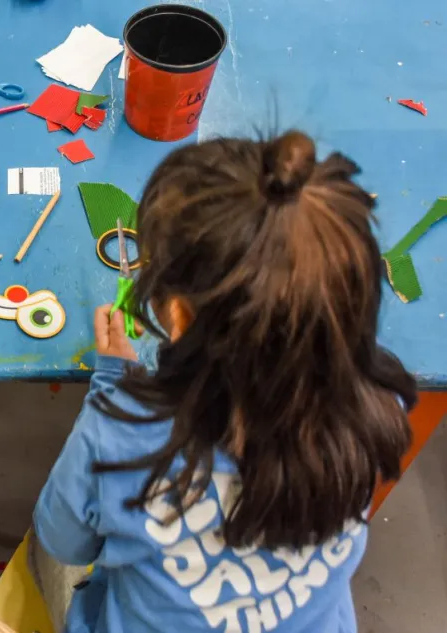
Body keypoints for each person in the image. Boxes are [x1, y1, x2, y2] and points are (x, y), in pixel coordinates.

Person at [34, 131, 416, 633]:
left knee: (51, 557)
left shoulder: (119, 437)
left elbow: (63, 540)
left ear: (177, 315)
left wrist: (112, 390)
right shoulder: (377, 405)